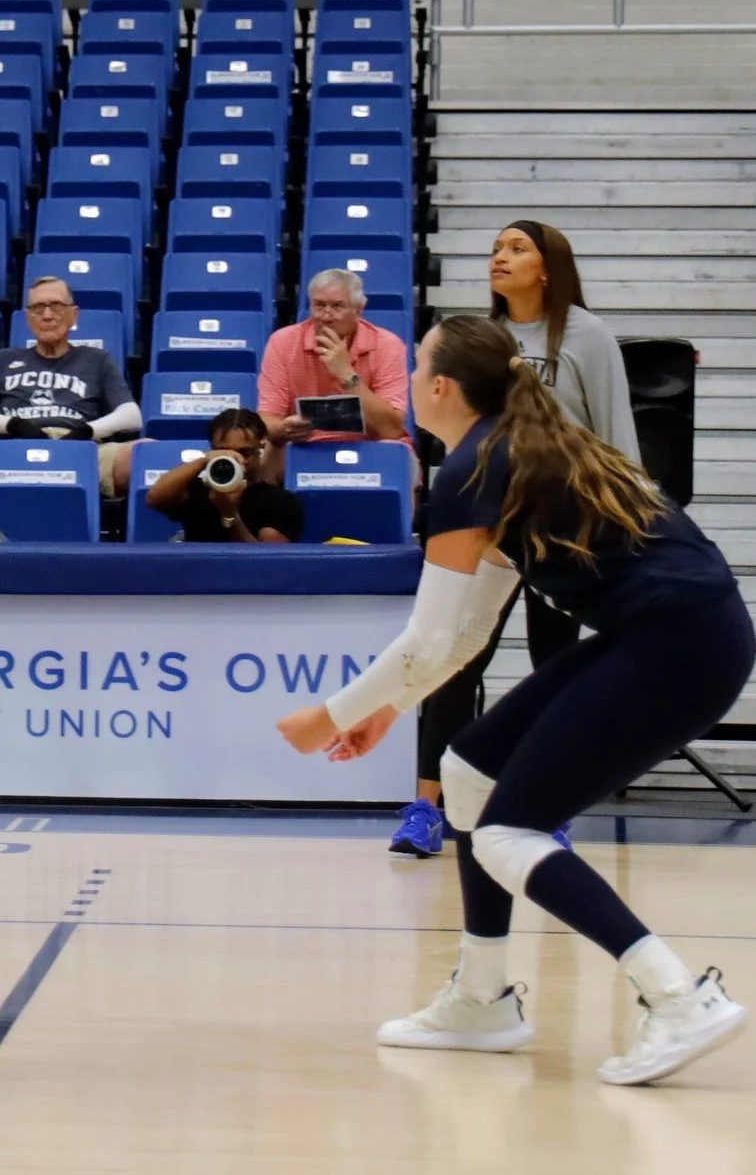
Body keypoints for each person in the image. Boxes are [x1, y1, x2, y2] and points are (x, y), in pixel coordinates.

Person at [274, 315, 750, 1088]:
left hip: (680, 645)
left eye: (417, 364)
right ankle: (480, 1000)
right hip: (683, 632)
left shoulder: (473, 468)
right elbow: (463, 635)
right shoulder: (513, 447)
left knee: (506, 831)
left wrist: (328, 715)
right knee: (468, 772)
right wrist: (388, 707)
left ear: (439, 387)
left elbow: (429, 638)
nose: (410, 377)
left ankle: (678, 998)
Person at [392, 221, 643, 859]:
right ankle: (426, 809)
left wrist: (621, 527)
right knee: (452, 660)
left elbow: (616, 439)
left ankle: (547, 809)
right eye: (496, 249)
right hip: (489, 526)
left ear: (548, 267)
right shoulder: (484, 338)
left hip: (561, 530)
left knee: (553, 668)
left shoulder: (587, 336)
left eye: (515, 248)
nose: (499, 258)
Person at [0, 277, 142, 505]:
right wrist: (14, 425)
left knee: (143, 453)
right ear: (28, 317)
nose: (47, 315)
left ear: (74, 314)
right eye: (38, 308)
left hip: (82, 451)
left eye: (57, 307)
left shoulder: (96, 359)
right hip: (16, 449)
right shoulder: (4, 359)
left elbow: (132, 416)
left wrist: (87, 431)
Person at [257, 268, 411, 448]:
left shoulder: (387, 345)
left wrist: (346, 374)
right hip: (306, 446)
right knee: (270, 449)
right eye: (319, 305)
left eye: (337, 306)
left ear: (358, 310)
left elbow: (391, 430)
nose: (326, 316)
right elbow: (267, 420)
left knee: (395, 449)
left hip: (370, 447)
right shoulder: (283, 342)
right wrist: (285, 428)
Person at [144, 407, 303, 544]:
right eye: (224, 451)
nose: (235, 459)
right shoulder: (198, 490)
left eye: (245, 452)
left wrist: (230, 515)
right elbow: (155, 498)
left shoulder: (281, 502)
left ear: (260, 447)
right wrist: (203, 460)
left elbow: (267, 562)